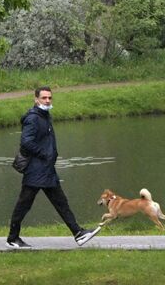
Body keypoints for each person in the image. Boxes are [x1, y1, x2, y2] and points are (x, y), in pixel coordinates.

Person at [6, 87, 100, 249]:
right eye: (44, 98)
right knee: (24, 205)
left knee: (61, 202)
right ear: (36, 99)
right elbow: (26, 142)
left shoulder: (45, 116)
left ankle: (78, 233)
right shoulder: (33, 118)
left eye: (50, 98)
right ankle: (13, 238)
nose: (47, 101)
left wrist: (49, 157)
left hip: (46, 170)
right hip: (36, 171)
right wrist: (45, 154)